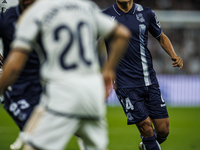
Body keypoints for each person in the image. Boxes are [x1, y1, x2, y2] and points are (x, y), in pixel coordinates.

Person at [0, 0, 131, 149]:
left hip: (64, 91)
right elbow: (123, 34)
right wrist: (108, 70)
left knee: (33, 147)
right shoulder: (85, 6)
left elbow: (14, 67)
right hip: (93, 91)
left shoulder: (35, 12)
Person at [103, 0, 183, 150]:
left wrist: (173, 54)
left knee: (163, 130)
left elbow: (161, 36)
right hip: (125, 83)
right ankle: (149, 143)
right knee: (146, 127)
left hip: (149, 80)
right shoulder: (105, 16)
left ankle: (147, 146)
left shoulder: (146, 13)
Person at [0, 0, 42, 149]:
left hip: (43, 86)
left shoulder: (48, 15)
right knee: (38, 135)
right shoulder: (7, 18)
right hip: (16, 88)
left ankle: (25, 136)